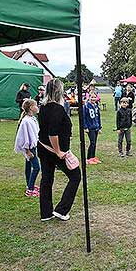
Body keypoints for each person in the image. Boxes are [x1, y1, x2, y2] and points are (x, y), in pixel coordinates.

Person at [37, 78, 81, 221]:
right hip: (54, 150)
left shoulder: (43, 107)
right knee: (75, 176)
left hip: (44, 148)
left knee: (47, 179)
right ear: (59, 91)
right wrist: (58, 151)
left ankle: (46, 213)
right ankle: (62, 210)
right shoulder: (57, 108)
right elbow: (52, 133)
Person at [15, 99, 41, 197]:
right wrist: (27, 151)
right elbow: (24, 137)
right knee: (37, 168)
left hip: (33, 146)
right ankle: (30, 189)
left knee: (28, 166)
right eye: (36, 105)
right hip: (30, 148)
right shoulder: (26, 121)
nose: (37, 107)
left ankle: (29, 184)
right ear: (31, 108)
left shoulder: (32, 119)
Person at [83, 93, 102, 165]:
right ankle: (88, 158)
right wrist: (85, 127)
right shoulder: (86, 106)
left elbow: (98, 117)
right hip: (90, 127)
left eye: (94, 97)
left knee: (95, 143)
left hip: (96, 127)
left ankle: (93, 157)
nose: (93, 99)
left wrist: (99, 127)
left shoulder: (96, 106)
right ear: (89, 97)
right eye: (92, 97)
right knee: (92, 142)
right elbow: (84, 117)